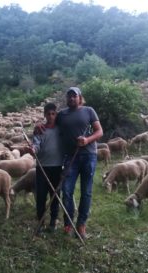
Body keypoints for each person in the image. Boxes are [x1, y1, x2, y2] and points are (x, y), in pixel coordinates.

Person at [55, 87, 103, 239]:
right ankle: (68, 222)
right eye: (69, 96)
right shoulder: (61, 115)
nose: (71, 99)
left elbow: (99, 131)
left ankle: (81, 224)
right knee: (67, 191)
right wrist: (39, 128)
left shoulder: (89, 111)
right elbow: (51, 127)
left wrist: (87, 140)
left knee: (86, 191)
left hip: (88, 155)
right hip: (70, 157)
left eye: (74, 96)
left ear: (80, 98)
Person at [31, 103, 64, 234]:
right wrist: (33, 149)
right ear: (44, 115)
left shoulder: (61, 129)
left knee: (55, 195)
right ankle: (40, 222)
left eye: (53, 114)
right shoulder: (40, 130)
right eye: (48, 114)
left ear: (56, 114)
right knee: (41, 196)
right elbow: (36, 144)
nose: (51, 116)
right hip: (42, 167)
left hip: (57, 167)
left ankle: (53, 221)